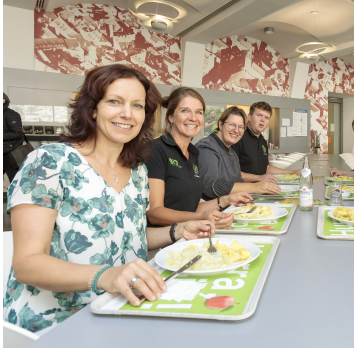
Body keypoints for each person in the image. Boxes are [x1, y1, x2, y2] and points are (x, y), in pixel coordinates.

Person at [4, 65, 215, 334]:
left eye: (137, 106)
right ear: (93, 108)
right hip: (54, 325)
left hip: (118, 309)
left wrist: (178, 230)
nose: (127, 114)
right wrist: (106, 276)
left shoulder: (137, 171)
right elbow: (27, 264)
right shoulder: (50, 162)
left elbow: (131, 238)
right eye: (115, 101)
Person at [145, 87, 253, 230]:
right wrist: (200, 218)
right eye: (185, 111)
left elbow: (190, 208)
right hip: (163, 241)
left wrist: (227, 200)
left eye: (199, 112)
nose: (193, 118)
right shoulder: (156, 149)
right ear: (170, 116)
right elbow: (155, 213)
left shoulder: (193, 153)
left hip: (190, 235)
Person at [195, 106, 281, 200]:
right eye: (232, 124)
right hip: (213, 212)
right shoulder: (207, 147)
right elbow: (211, 186)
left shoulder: (232, 153)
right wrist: (255, 187)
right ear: (220, 124)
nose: (236, 130)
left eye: (241, 127)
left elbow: (238, 182)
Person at [231, 101, 301, 183]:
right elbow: (231, 173)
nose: (262, 120)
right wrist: (259, 178)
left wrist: (293, 172)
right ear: (249, 117)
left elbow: (267, 168)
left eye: (266, 117)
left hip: (259, 190)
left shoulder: (262, 141)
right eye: (259, 115)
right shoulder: (238, 137)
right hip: (243, 191)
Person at [3, 92, 25, 182]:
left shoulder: (11, 114)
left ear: (3, 100)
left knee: (15, 181)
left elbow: (18, 133)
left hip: (9, 154)